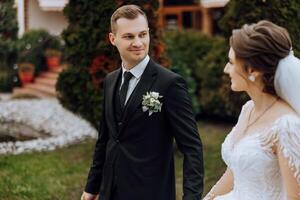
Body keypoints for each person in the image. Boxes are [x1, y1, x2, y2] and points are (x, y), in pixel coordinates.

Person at [81, 4, 204, 200]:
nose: (138, 42)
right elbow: (105, 140)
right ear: (113, 39)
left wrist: (192, 197)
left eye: (143, 34)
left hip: (151, 192)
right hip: (109, 192)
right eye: (129, 36)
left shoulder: (170, 84)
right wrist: (92, 187)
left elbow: (192, 148)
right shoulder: (111, 81)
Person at [203, 20, 300, 200]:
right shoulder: (248, 109)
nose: (226, 69)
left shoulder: (287, 125)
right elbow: (235, 171)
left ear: (253, 70)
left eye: (231, 62)